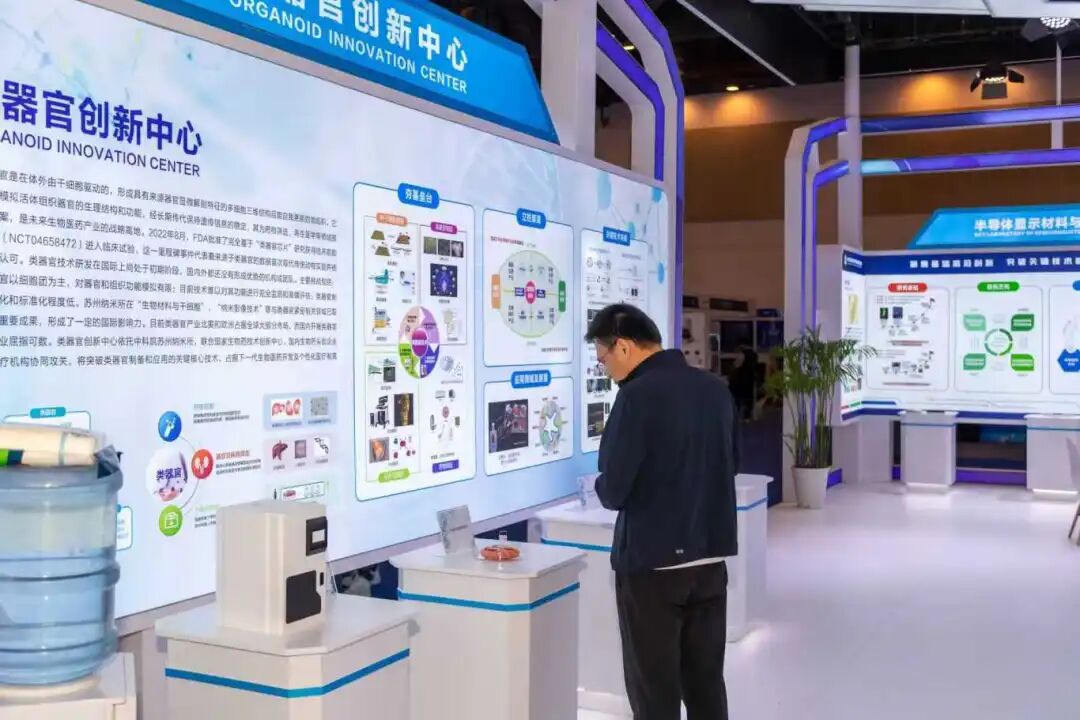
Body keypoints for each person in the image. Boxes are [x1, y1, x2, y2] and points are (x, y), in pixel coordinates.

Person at [586, 303, 739, 720]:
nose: (606, 370)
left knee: (654, 691)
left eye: (603, 359)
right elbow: (731, 465)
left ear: (623, 347)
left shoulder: (635, 397)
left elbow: (614, 489)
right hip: (710, 559)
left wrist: (597, 484)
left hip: (651, 566)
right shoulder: (714, 389)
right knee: (706, 684)